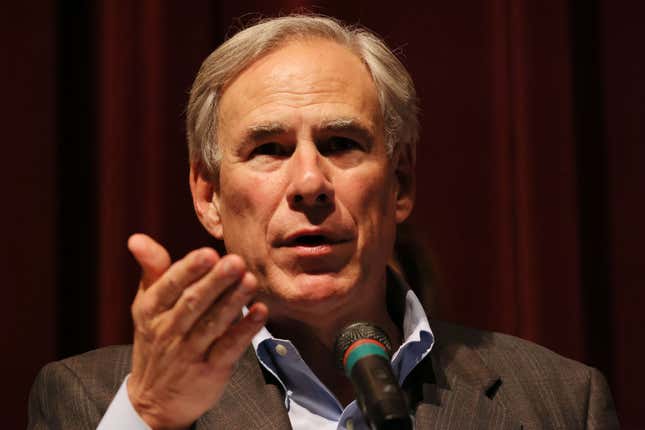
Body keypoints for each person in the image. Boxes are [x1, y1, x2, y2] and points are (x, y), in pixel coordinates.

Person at [28, 15, 619, 429]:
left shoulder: (562, 400)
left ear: (402, 185)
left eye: (341, 143)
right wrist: (152, 415)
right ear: (208, 196)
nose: (310, 183)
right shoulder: (96, 401)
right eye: (269, 149)